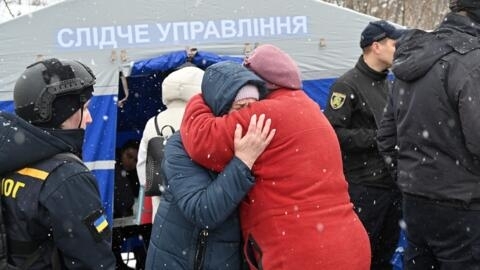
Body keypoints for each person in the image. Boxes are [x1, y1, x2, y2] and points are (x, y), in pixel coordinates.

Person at [180, 45, 371, 270]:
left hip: (300, 254)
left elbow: (202, 140)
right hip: (348, 244)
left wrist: (202, 96)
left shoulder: (264, 115)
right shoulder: (309, 107)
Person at [377, 1, 480, 269]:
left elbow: (387, 137)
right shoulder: (471, 59)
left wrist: (410, 179)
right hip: (462, 207)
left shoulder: (415, 57)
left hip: (417, 202)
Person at [145, 61, 275, 269]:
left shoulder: (250, 142)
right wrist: (243, 162)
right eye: (241, 107)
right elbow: (203, 211)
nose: (248, 116)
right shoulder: (181, 145)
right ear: (220, 108)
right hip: (181, 261)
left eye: (254, 107)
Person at [0, 58, 116, 269]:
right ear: (61, 113)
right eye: (85, 108)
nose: (89, 118)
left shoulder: (9, 160)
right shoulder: (67, 177)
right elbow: (93, 261)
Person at [322, 20, 404, 270]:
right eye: (394, 44)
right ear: (376, 46)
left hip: (392, 185)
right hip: (364, 189)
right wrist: (379, 138)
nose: (398, 50)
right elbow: (332, 134)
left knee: (384, 255)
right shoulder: (346, 85)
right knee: (360, 256)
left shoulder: (391, 83)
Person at [136, 66, 204, 220]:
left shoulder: (152, 122)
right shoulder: (204, 120)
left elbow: (142, 170)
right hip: (197, 209)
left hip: (162, 212)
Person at [112, 140, 151, 270]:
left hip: (127, 220)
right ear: (122, 152)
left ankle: (142, 257)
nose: (131, 162)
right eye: (128, 156)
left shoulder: (137, 174)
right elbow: (125, 200)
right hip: (115, 221)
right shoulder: (113, 168)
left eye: (135, 160)